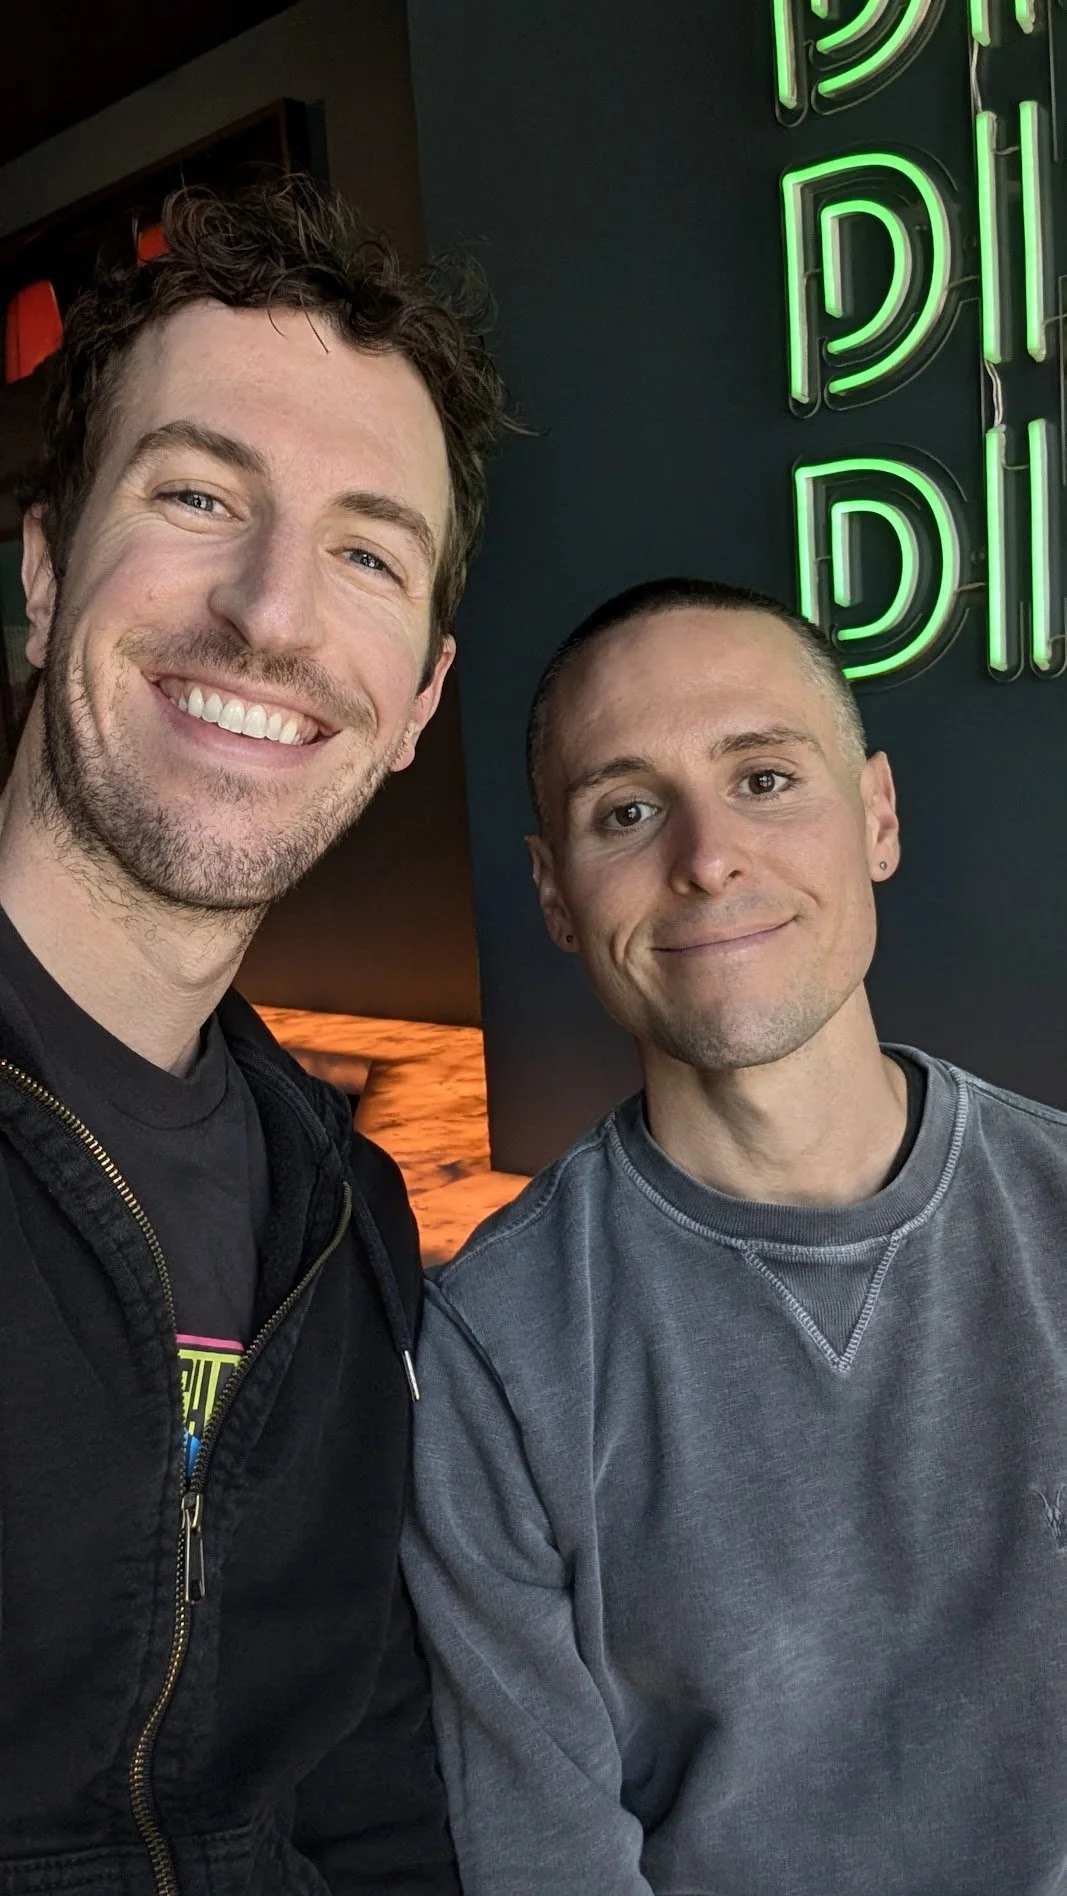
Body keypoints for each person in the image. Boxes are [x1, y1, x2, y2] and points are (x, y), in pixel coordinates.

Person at [403, 575, 1067, 1896]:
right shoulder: (494, 1348)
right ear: (553, 892)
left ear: (874, 815)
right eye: (627, 810)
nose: (705, 857)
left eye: (763, 778)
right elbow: (547, 1865)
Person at [0, 173, 508, 1894]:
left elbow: (364, 1795)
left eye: (368, 551)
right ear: (47, 564)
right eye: (200, 492)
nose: (275, 611)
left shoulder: (350, 1224)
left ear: (416, 704)